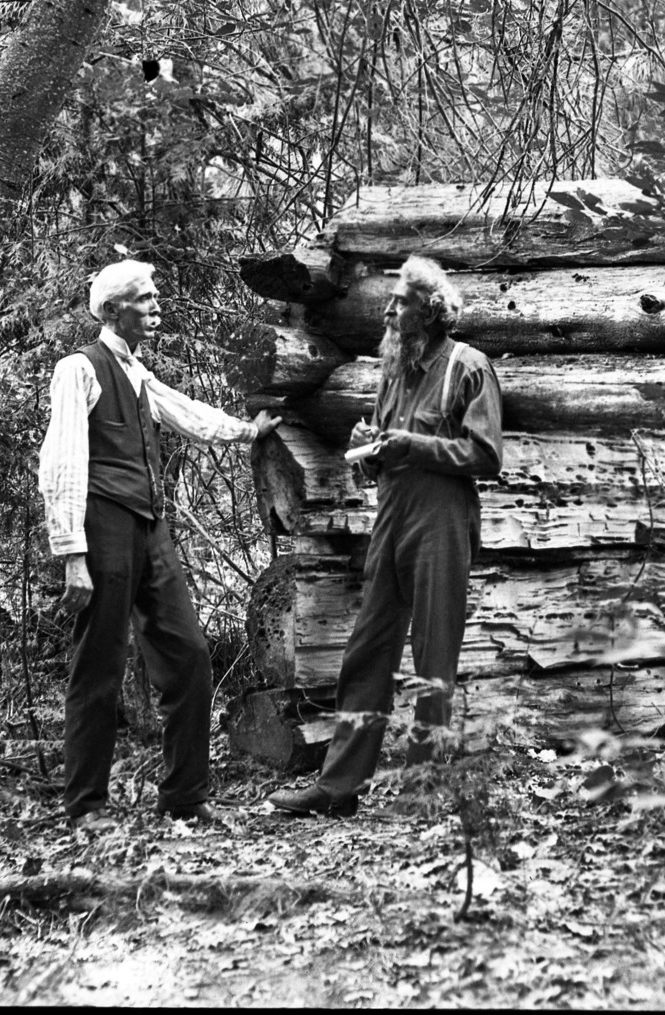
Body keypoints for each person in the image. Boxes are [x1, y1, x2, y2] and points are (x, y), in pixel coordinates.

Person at [38, 259, 278, 830]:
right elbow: (62, 460)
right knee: (98, 665)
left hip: (149, 526)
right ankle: (85, 806)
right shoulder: (80, 368)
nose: (155, 306)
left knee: (189, 654)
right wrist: (72, 552)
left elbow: (186, 414)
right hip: (101, 526)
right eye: (145, 299)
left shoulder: (137, 373)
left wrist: (249, 431)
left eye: (154, 296)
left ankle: (185, 796)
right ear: (114, 309)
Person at [267, 254, 504, 817]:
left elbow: (487, 455)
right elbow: (380, 459)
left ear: (430, 311)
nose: (390, 312)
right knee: (366, 651)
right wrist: (368, 449)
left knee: (433, 657)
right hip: (392, 519)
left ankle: (424, 789)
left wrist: (412, 447)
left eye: (400, 303)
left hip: (442, 522)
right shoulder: (394, 372)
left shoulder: (467, 367)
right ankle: (338, 786)